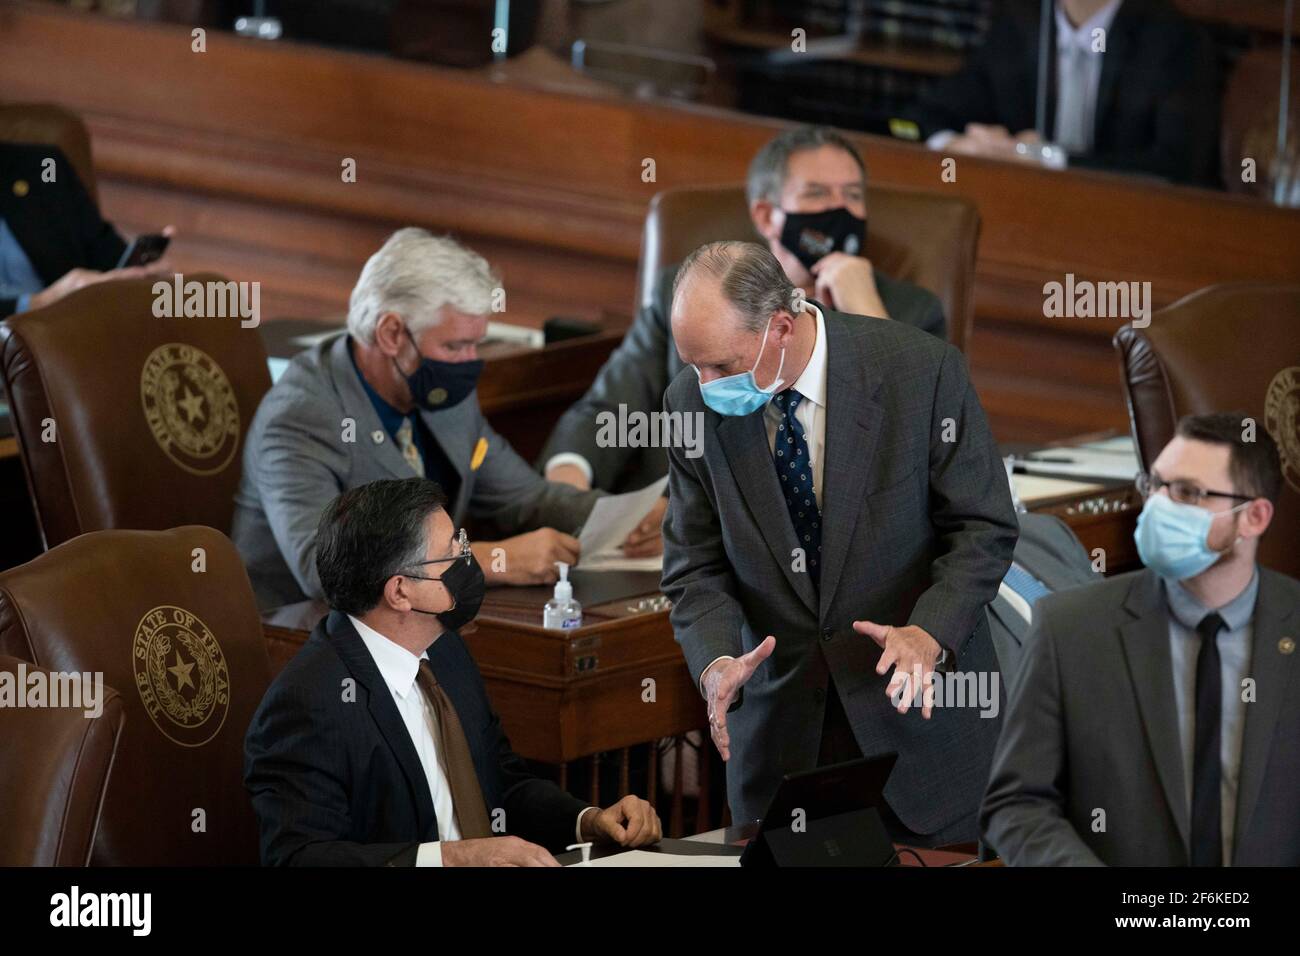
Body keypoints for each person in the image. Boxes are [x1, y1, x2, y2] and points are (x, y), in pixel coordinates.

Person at [661, 241, 1018, 845]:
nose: (705, 384)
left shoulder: (920, 372)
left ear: (781, 326)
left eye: (720, 366)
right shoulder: (689, 404)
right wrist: (716, 661)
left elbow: (982, 528)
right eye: (693, 366)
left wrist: (929, 632)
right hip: (782, 747)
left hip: (921, 735)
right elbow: (694, 565)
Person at [244, 477, 662, 866]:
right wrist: (453, 857)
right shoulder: (308, 702)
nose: (469, 563)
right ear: (400, 591)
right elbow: (300, 857)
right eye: (453, 553)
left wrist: (588, 819)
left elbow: (502, 783)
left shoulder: (445, 650)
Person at [233, 228, 658, 609]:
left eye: (477, 344)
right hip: (305, 638)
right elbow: (322, 571)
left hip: (417, 625)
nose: (470, 364)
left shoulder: (441, 393)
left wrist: (637, 515)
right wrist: (495, 559)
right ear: (391, 333)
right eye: (455, 347)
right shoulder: (302, 415)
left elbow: (526, 499)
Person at [540, 125, 946, 497]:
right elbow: (612, 410)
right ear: (767, 216)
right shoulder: (683, 294)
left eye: (853, 195)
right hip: (678, 526)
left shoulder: (911, 312)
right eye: (817, 193)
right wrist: (568, 489)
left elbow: (920, 450)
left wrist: (867, 311)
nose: (840, 210)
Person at [981, 413, 1299, 865]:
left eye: (1188, 493)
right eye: (1155, 485)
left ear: (1254, 516)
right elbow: (1016, 806)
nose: (1160, 507)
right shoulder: (1070, 628)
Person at [906, 0, 1219, 186]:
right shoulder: (1019, 22)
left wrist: (1047, 159)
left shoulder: (1174, 40)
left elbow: (1180, 167)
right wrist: (960, 144)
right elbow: (921, 117)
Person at [0, 141, 168, 317]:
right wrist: (41, 302)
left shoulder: (44, 164)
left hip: (70, 331)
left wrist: (140, 273)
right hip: (39, 327)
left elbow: (103, 252)